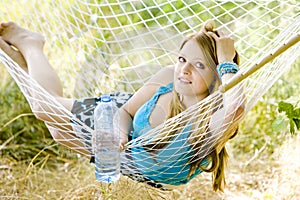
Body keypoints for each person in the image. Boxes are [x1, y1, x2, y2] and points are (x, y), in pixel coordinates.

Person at [0, 20, 244, 191]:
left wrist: (226, 60)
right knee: (45, 110)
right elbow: (125, 110)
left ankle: (23, 58)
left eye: (199, 66)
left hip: (137, 167)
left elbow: (237, 109)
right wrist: (116, 132)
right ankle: (31, 46)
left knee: (56, 129)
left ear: (217, 76)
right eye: (182, 59)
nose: (184, 70)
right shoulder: (169, 77)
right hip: (118, 126)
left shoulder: (210, 119)